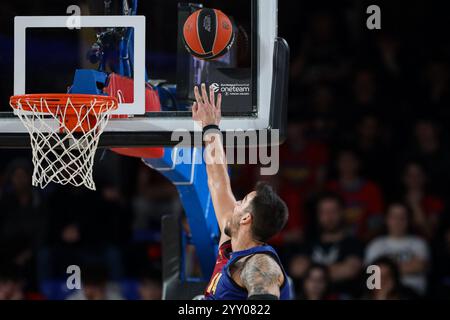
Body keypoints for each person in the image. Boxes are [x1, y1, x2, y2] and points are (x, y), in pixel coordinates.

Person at [192, 84, 291, 300]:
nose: (235, 203)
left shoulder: (260, 265)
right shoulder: (231, 239)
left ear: (246, 218)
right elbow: (218, 181)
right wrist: (210, 127)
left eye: (242, 201)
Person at [288, 193, 363, 299]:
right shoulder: (308, 241)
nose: (328, 216)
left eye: (333, 211)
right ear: (318, 215)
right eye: (324, 212)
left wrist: (311, 272)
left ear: (342, 213)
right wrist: (337, 269)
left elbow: (351, 271)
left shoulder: (353, 243)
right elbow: (296, 269)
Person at [365, 202, 430, 296]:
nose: (398, 221)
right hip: (382, 294)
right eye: (394, 217)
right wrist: (407, 267)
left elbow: (420, 266)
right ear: (386, 219)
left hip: (412, 293)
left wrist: (385, 272)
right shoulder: (375, 245)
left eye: (402, 217)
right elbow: (371, 278)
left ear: (409, 220)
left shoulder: (419, 243)